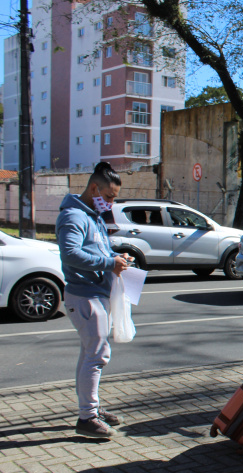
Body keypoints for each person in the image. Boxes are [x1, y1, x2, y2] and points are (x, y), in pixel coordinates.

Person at [56, 162, 131, 439]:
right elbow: (70, 255)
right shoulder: (74, 217)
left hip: (93, 292)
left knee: (89, 353)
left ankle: (90, 410)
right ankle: (87, 417)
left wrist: (119, 258)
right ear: (94, 188)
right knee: (98, 355)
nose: (111, 202)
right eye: (109, 196)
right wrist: (109, 262)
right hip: (84, 294)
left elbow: (100, 248)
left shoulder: (93, 216)